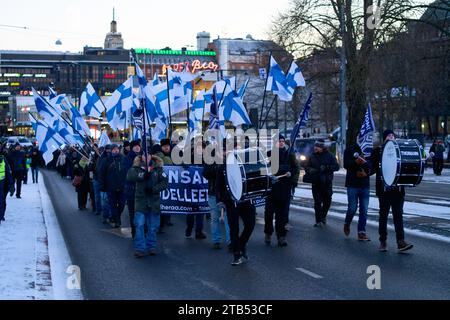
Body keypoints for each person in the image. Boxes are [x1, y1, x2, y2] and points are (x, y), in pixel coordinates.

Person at [371, 130, 413, 252]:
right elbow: (372, 168)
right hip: (384, 190)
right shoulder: (377, 151)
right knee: (383, 216)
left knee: (398, 216)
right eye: (389, 136)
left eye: (393, 135)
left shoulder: (399, 150)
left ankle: (401, 242)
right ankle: (383, 241)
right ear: (384, 139)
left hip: (398, 190)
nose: (391, 137)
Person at [217, 143, 256, 266]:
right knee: (234, 229)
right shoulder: (222, 167)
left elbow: (252, 177)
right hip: (231, 201)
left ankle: (241, 244)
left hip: (246, 200)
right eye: (226, 151)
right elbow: (219, 186)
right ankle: (236, 254)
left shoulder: (244, 164)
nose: (229, 152)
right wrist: (222, 200)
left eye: (231, 150)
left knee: (250, 224)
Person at [126, 153, 168, 257]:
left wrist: (153, 189)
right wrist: (143, 175)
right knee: (139, 225)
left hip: (153, 201)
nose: (146, 157)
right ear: (141, 157)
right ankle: (140, 248)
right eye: (144, 155)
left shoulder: (158, 168)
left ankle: (151, 246)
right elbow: (130, 176)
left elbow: (164, 183)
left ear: (151, 156)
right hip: (141, 201)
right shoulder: (136, 167)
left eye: (148, 154)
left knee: (153, 226)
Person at [264, 135, 300, 247]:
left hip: (284, 188)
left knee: (282, 215)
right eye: (279, 141)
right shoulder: (269, 154)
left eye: (283, 141)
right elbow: (263, 168)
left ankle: (281, 236)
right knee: (269, 213)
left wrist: (291, 173)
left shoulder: (289, 154)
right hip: (272, 189)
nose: (281, 143)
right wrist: (270, 176)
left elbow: (295, 168)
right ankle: (268, 233)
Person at [304, 139, 340, 227]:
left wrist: (327, 167)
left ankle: (323, 216)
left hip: (327, 182)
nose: (316, 148)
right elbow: (306, 166)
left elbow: (336, 167)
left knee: (327, 201)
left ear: (322, 147)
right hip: (316, 183)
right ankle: (318, 220)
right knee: (317, 202)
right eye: (315, 146)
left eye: (318, 146)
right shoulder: (312, 156)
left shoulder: (330, 156)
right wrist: (310, 170)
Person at [202, 144, 230, 250]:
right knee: (214, 218)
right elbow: (205, 173)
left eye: (225, 150)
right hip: (214, 193)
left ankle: (230, 241)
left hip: (227, 194)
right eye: (222, 150)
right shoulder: (211, 161)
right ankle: (216, 240)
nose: (224, 152)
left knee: (228, 218)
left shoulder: (231, 160)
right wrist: (217, 166)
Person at [343, 143, 371, 241]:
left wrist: (366, 173)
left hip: (365, 184)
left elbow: (373, 166)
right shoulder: (350, 149)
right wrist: (356, 162)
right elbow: (345, 164)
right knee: (352, 208)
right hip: (352, 184)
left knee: (364, 209)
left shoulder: (369, 149)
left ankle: (361, 232)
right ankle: (347, 222)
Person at [99, 144, 127, 228]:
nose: (116, 150)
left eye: (117, 149)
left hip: (122, 186)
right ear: (111, 150)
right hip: (110, 187)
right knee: (113, 205)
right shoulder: (106, 160)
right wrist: (103, 185)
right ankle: (117, 219)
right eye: (114, 149)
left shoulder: (123, 159)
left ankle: (117, 216)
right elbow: (101, 174)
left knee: (122, 204)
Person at [123, 140, 142, 238]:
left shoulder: (144, 157)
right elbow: (128, 173)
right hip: (131, 189)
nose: (137, 147)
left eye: (138, 146)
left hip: (142, 190)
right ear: (131, 148)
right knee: (132, 211)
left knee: (141, 211)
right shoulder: (128, 158)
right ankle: (134, 230)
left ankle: (141, 230)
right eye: (135, 146)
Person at [155, 138, 174, 232]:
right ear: (161, 147)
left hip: (171, 183)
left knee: (168, 201)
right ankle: (161, 224)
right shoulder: (158, 157)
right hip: (161, 183)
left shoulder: (174, 155)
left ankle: (167, 219)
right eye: (164, 146)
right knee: (162, 203)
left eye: (168, 146)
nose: (166, 148)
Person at [0, 154, 15, 224]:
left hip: (3, 185)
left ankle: (1, 215)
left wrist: (11, 185)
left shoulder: (3, 159)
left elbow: (8, 173)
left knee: (2, 201)